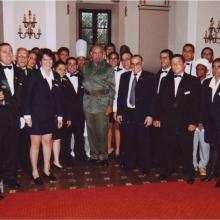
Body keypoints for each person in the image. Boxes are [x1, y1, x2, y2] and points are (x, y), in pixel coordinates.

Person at [154, 54, 201, 184]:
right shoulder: (165, 80)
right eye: (173, 63)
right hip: (168, 121)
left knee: (187, 149)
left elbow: (197, 104)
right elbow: (159, 101)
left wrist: (193, 122)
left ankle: (189, 173)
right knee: (168, 148)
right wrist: (157, 118)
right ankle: (167, 170)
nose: (175, 66)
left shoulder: (193, 81)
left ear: (184, 64)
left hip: (186, 123)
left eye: (178, 63)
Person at [24, 48, 63, 185]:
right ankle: (35, 172)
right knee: (35, 144)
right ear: (40, 61)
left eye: (50, 59)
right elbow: (27, 96)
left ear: (53, 61)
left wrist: (60, 117)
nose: (48, 62)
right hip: (35, 116)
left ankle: (46, 170)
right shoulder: (34, 75)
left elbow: (59, 99)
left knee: (47, 143)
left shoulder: (56, 76)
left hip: (49, 116)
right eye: (45, 59)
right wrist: (27, 115)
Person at [117, 54, 155, 174]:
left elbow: (153, 98)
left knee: (143, 141)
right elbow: (121, 96)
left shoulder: (150, 77)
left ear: (142, 64)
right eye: (132, 64)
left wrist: (150, 115)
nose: (134, 66)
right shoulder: (124, 76)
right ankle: (130, 164)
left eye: (137, 64)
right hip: (127, 113)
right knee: (128, 140)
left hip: (142, 114)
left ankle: (145, 166)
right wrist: (119, 112)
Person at [82, 45, 115, 166]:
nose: (97, 55)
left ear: (103, 54)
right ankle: (94, 155)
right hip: (88, 102)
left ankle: (103, 156)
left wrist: (110, 104)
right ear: (91, 53)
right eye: (94, 53)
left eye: (99, 53)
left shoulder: (108, 68)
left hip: (102, 102)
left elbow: (112, 88)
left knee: (102, 131)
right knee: (91, 130)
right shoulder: (85, 67)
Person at [0, 43, 25, 194]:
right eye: (4, 52)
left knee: (12, 149)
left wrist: (23, 115)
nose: (8, 54)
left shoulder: (19, 71)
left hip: (15, 117)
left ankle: (10, 177)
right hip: (1, 117)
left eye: (10, 51)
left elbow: (22, 96)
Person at [152, 49, 173, 169]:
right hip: (157, 113)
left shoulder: (174, 74)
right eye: (161, 57)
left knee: (168, 142)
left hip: (169, 115)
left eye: (165, 57)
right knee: (158, 140)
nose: (162, 60)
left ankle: (168, 165)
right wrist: (155, 116)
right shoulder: (157, 74)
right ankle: (160, 162)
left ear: (170, 59)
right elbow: (155, 98)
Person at [201, 58, 220, 187]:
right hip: (210, 123)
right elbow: (202, 104)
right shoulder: (207, 82)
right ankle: (213, 172)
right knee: (213, 147)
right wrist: (202, 121)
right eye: (214, 66)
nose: (216, 69)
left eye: (219, 66)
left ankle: (212, 173)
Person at [16, 47, 33, 175]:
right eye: (20, 56)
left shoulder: (32, 73)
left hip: (30, 113)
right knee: (14, 142)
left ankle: (27, 165)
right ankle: (14, 167)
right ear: (16, 57)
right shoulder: (11, 71)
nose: (22, 58)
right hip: (14, 113)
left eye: (25, 56)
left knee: (27, 141)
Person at [193, 58, 211, 176]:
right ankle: (194, 165)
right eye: (197, 69)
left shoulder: (209, 83)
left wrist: (201, 121)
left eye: (201, 69)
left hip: (204, 121)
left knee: (204, 145)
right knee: (193, 146)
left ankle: (203, 165)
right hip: (192, 120)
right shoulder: (193, 82)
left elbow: (206, 105)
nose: (199, 71)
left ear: (206, 70)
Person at [66, 57, 87, 161]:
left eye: (74, 64)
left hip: (80, 112)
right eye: (69, 64)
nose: (72, 66)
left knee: (79, 135)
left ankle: (80, 155)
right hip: (67, 113)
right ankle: (67, 157)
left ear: (77, 66)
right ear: (66, 66)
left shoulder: (82, 78)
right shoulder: (62, 78)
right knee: (67, 137)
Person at [52, 61, 72, 168]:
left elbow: (69, 101)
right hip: (51, 114)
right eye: (60, 69)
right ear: (54, 69)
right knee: (50, 139)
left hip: (62, 115)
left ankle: (56, 160)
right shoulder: (50, 80)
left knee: (58, 138)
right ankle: (49, 161)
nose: (62, 71)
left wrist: (68, 117)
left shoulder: (65, 82)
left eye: (64, 69)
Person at [108, 51, 124, 158]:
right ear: (108, 60)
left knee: (117, 127)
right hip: (107, 103)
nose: (113, 60)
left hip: (118, 103)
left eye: (115, 58)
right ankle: (109, 149)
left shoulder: (123, 72)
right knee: (108, 127)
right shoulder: (104, 72)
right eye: (111, 58)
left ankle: (118, 149)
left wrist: (117, 108)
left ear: (118, 60)